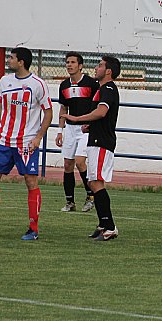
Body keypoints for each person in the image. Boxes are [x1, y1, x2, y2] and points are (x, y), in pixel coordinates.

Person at [0, 47, 53, 240]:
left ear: (21, 62)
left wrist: (38, 137)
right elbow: (1, 106)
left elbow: (48, 113)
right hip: (3, 140)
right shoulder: (5, 81)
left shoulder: (38, 84)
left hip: (26, 143)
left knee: (30, 182)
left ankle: (33, 228)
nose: (9, 61)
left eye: (11, 58)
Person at [61, 56, 121, 241]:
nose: (96, 68)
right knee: (94, 182)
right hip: (96, 138)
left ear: (108, 71)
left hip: (102, 142)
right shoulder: (102, 89)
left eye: (100, 65)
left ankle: (109, 226)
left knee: (96, 183)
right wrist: (90, 126)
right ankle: (103, 224)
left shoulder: (108, 88)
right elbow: (102, 116)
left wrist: (78, 119)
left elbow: (102, 112)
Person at [56, 52, 100, 213]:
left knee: (80, 162)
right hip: (70, 129)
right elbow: (63, 108)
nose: (69, 65)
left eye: (73, 62)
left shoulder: (91, 83)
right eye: (67, 62)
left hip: (85, 129)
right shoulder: (64, 85)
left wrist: (92, 124)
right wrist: (60, 131)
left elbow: (98, 106)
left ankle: (91, 197)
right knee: (68, 164)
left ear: (80, 65)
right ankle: (70, 202)